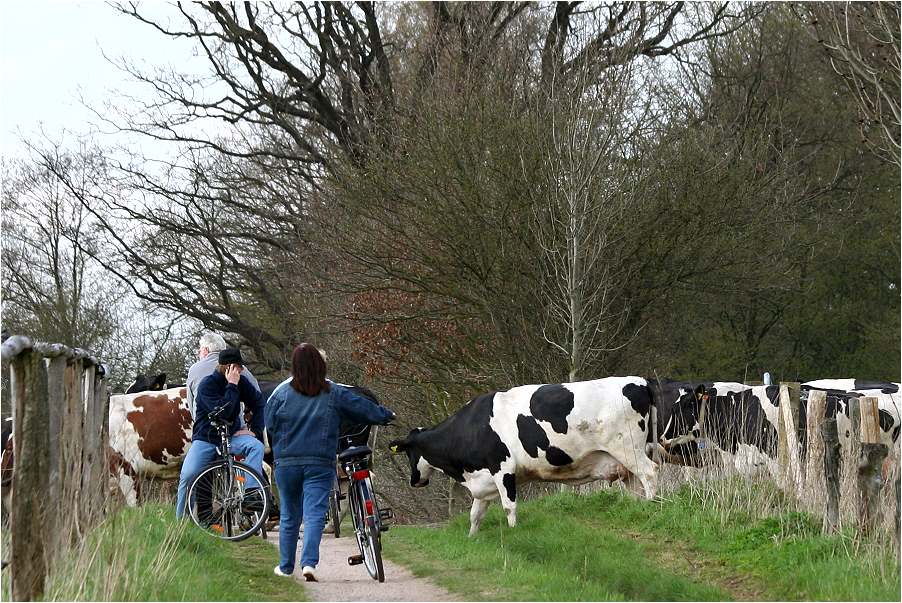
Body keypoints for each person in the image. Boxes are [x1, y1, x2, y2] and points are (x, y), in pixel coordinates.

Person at [265, 343, 395, 582]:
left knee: (289, 515)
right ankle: (309, 564)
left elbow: (270, 423)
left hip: (287, 463)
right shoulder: (333, 392)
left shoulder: (280, 394)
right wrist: (385, 415)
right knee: (314, 513)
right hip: (319, 461)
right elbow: (362, 408)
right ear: (321, 365)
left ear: (294, 366)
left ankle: (285, 567)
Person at [175, 347, 266, 518]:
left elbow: (258, 402)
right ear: (228, 367)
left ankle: (251, 494)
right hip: (206, 438)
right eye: (239, 367)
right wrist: (231, 385)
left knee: (256, 447)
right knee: (187, 476)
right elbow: (222, 412)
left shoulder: (241, 382)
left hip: (231, 437)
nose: (242, 370)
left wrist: (255, 430)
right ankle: (180, 522)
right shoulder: (207, 386)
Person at [187, 332, 260, 419]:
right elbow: (256, 394)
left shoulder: (194, 369)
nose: (199, 353)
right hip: (233, 425)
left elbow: (190, 401)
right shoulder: (238, 368)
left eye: (200, 350)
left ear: (206, 350)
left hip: (203, 425)